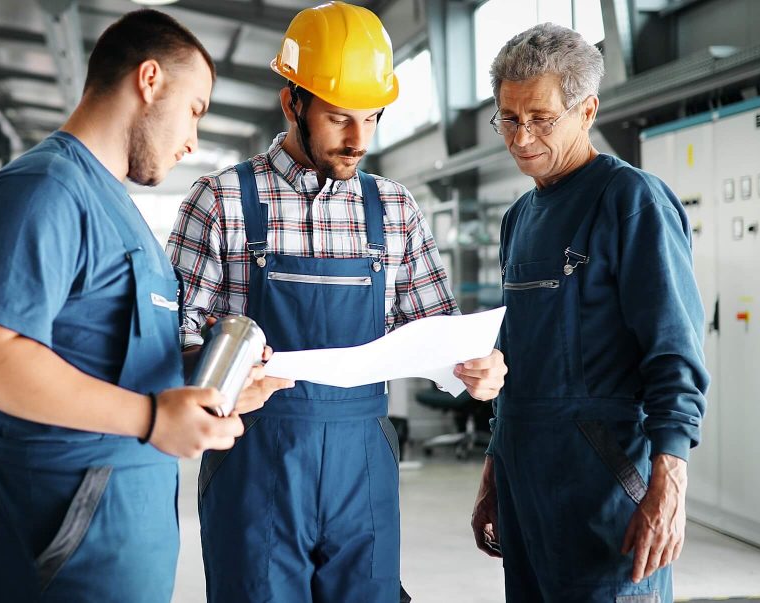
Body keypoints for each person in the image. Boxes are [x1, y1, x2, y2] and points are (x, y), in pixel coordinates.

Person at [0, 9, 291, 602]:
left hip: (121, 523)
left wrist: (203, 388)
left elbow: (101, 352)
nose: (192, 140)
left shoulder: (120, 211)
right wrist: (153, 420)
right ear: (149, 80)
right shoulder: (43, 189)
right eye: (195, 110)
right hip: (62, 526)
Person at [166, 3, 506, 602]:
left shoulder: (394, 208)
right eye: (338, 118)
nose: (358, 141)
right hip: (255, 459)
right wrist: (214, 372)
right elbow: (167, 338)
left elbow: (438, 332)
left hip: (363, 465)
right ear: (291, 102)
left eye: (372, 119)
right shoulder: (220, 201)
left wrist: (478, 367)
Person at [469, 23, 709, 603]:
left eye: (541, 118)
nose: (522, 136)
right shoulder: (519, 218)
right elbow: (518, 356)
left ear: (587, 110)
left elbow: (673, 350)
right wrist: (496, 466)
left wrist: (669, 481)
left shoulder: (632, 201)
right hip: (526, 488)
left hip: (606, 488)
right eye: (509, 117)